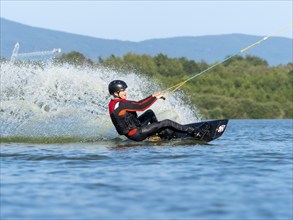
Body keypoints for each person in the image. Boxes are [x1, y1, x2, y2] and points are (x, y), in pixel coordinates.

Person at [108, 80, 208, 142]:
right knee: (166, 122)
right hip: (136, 134)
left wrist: (152, 96)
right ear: (116, 93)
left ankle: (159, 134)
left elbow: (137, 103)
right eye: (123, 91)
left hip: (134, 130)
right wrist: (155, 98)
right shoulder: (121, 104)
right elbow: (141, 106)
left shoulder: (114, 103)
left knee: (149, 113)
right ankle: (194, 132)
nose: (125, 92)